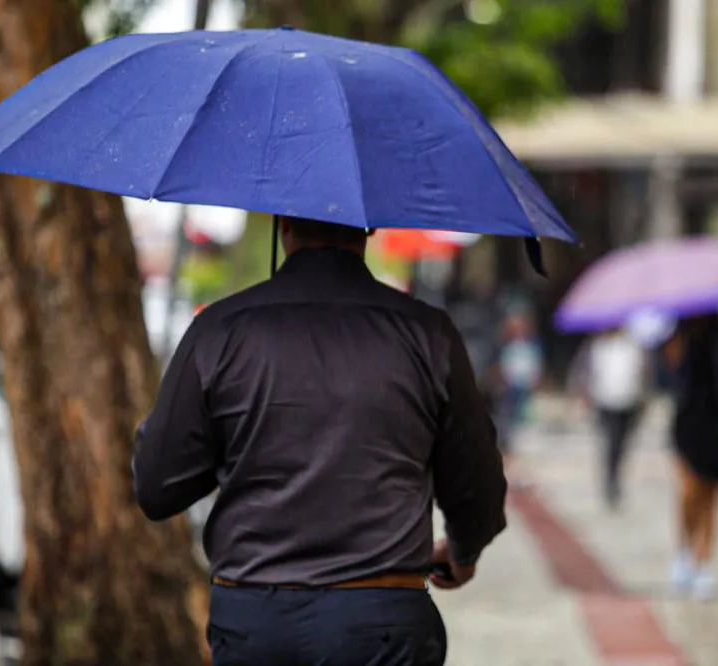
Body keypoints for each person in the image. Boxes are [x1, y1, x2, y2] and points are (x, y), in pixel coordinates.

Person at [132, 216, 507, 665]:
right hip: (382, 626)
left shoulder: (219, 330)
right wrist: (463, 550)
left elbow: (157, 487)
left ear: (282, 224)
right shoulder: (428, 334)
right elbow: (477, 482)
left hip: (257, 625)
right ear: (369, 229)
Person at [664, 312, 718, 601]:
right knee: (688, 490)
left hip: (715, 424)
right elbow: (670, 380)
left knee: (710, 493)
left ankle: (704, 561)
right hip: (687, 423)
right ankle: (684, 550)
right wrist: (675, 354)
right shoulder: (678, 332)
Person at [572, 327, 649, 509]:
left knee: (622, 443)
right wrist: (584, 392)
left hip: (629, 401)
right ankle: (611, 482)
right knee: (611, 442)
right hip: (605, 402)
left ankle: (615, 478)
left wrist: (644, 393)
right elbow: (583, 371)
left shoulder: (634, 344)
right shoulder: (597, 345)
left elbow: (644, 372)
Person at [493, 310, 544, 475]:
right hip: (511, 385)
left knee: (522, 414)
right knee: (508, 415)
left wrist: (535, 379)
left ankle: (518, 445)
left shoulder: (533, 345)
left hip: (525, 384)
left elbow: (536, 364)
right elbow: (502, 365)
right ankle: (508, 446)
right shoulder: (506, 345)